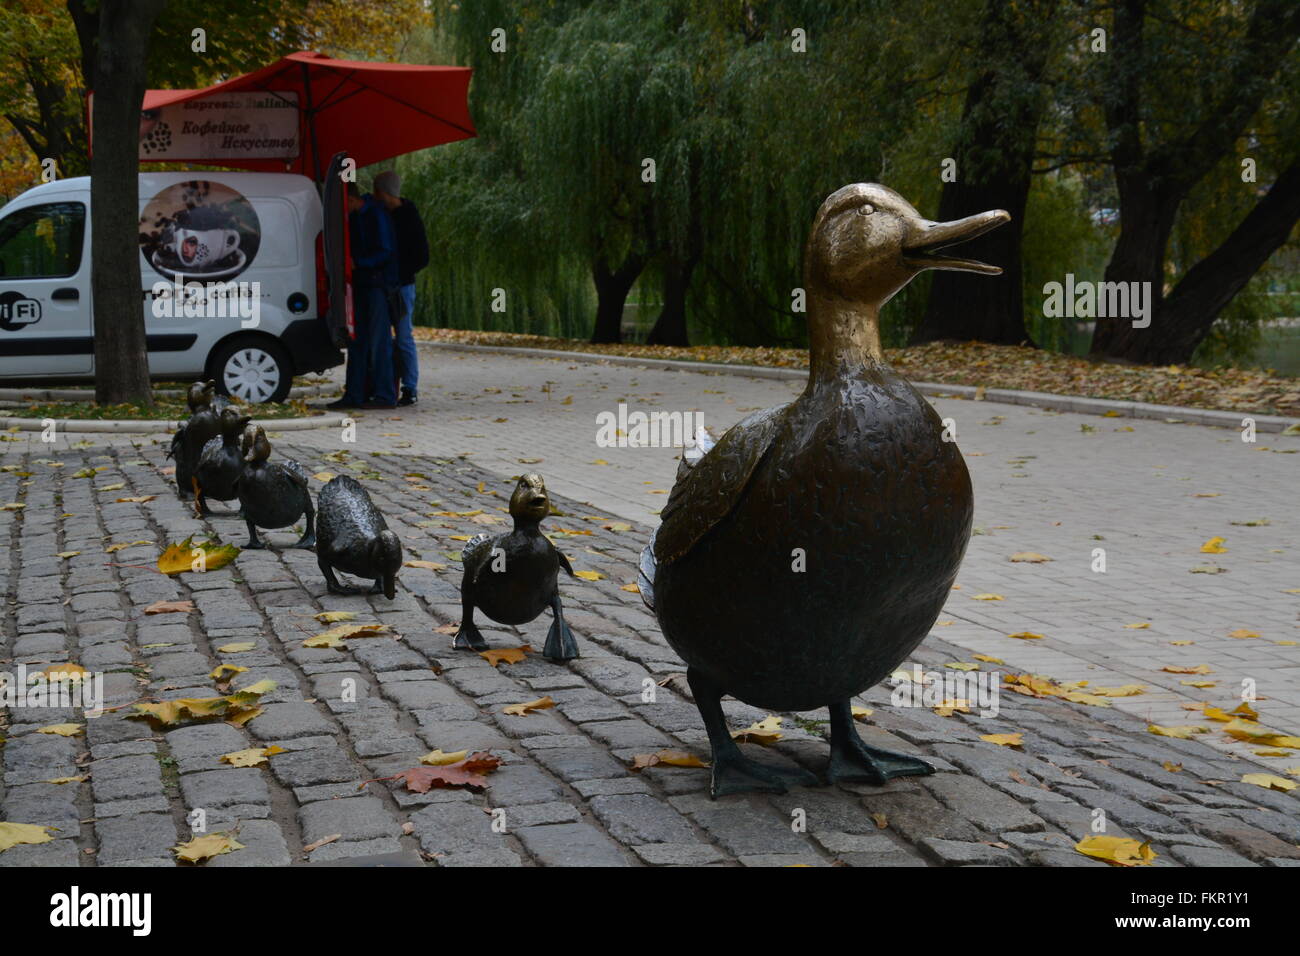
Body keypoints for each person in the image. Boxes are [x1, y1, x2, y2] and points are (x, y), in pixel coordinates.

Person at [329, 181, 399, 410]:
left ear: (349, 200)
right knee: (358, 341)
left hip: (376, 285)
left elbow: (386, 252)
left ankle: (383, 395)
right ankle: (357, 394)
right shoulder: (364, 215)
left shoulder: (374, 215)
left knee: (378, 342)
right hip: (363, 283)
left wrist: (358, 263)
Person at [373, 170, 428, 407]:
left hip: (402, 287)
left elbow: (422, 255)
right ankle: (387, 385)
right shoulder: (384, 214)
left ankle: (410, 387)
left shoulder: (408, 216)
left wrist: (402, 273)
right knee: (387, 336)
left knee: (404, 336)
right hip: (387, 284)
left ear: (384, 192)